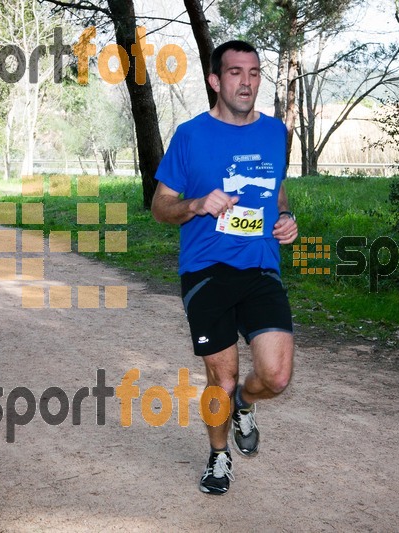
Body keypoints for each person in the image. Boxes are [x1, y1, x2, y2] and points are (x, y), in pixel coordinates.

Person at [151, 40, 298, 495]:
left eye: (254, 72)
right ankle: (218, 456)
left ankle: (245, 406)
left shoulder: (276, 133)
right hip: (206, 269)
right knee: (223, 376)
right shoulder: (191, 135)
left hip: (260, 267)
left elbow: (276, 192)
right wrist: (195, 204)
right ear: (216, 80)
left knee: (275, 376)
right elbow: (160, 207)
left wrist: (287, 218)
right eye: (235, 72)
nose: (247, 82)